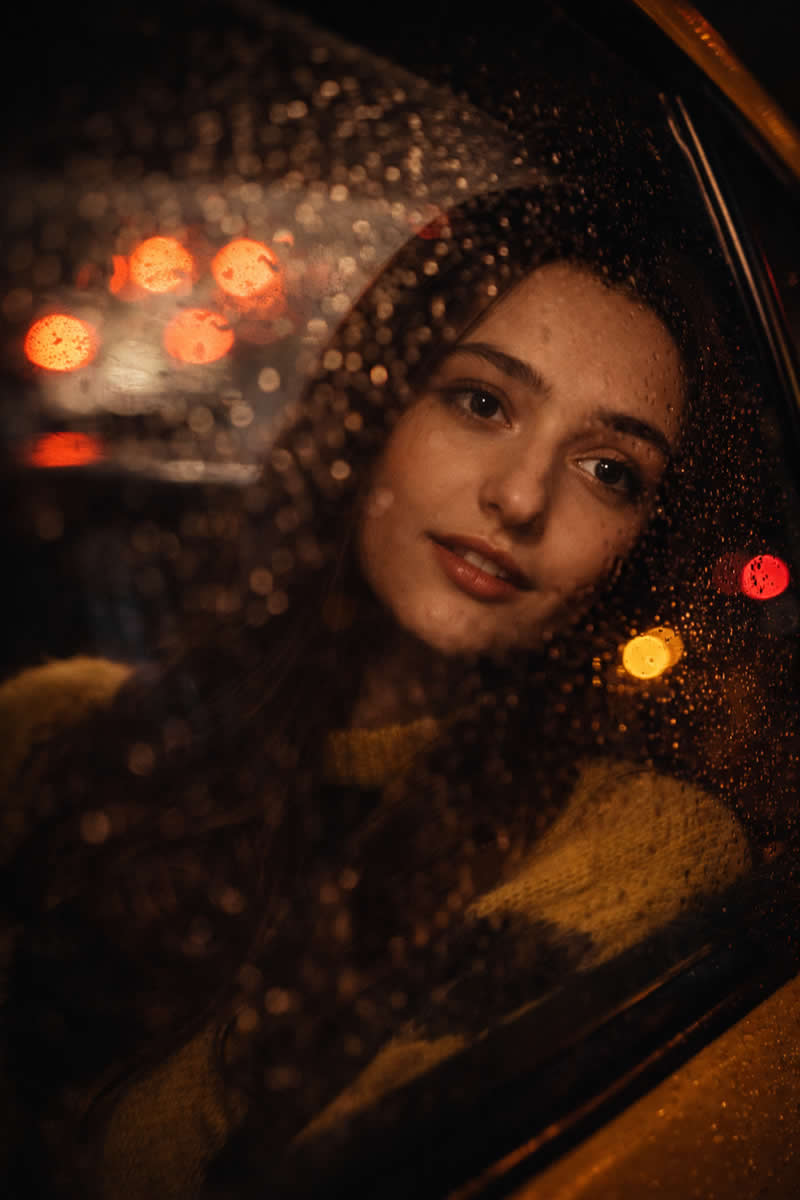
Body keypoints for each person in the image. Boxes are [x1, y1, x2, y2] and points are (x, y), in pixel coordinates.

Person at [0, 180, 755, 1198]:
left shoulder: (633, 844)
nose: (521, 497)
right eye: (481, 402)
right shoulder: (57, 724)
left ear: (638, 544)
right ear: (375, 408)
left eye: (607, 469)